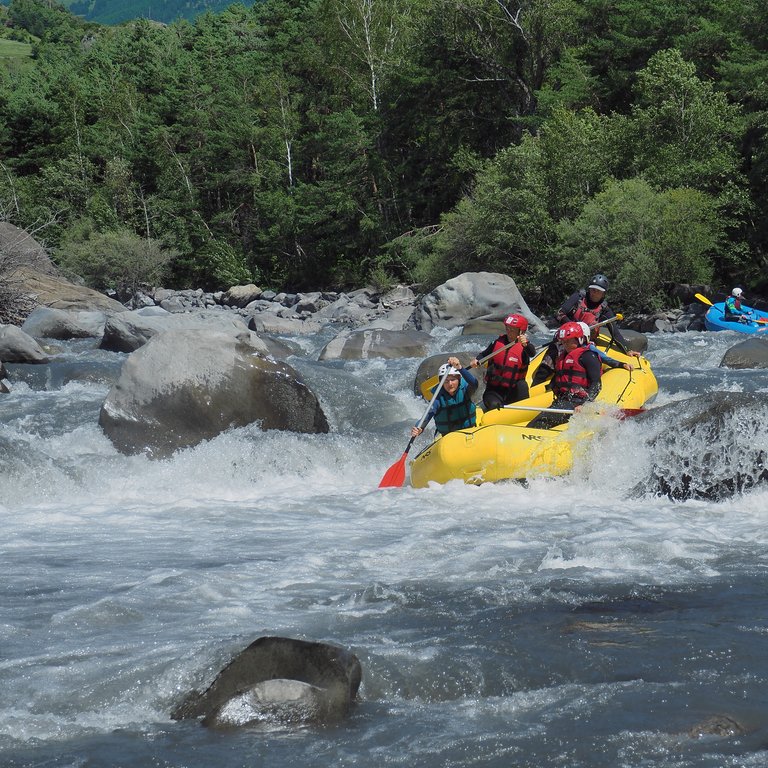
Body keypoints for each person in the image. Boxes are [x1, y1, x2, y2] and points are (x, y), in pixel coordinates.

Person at [527, 321, 602, 430]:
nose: (565, 345)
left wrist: (585, 405)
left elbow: (597, 383)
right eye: (563, 342)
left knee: (539, 423)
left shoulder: (588, 356)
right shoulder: (562, 357)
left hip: (578, 403)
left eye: (568, 341)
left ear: (580, 339)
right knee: (536, 421)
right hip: (563, 401)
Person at [556, 273, 640, 357]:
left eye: (598, 291)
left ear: (603, 294)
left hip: (586, 342)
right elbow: (559, 313)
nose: (594, 293)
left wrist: (627, 350)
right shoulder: (578, 297)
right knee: (552, 357)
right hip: (565, 337)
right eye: (593, 290)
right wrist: (575, 328)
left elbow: (615, 334)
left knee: (591, 357)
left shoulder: (604, 310)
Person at [470, 313, 536, 410]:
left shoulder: (525, 347)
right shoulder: (497, 342)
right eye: (507, 328)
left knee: (522, 385)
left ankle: (522, 410)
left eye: (512, 330)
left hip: (513, 391)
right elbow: (484, 354)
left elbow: (532, 353)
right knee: (493, 405)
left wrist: (526, 344)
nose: (509, 331)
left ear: (521, 332)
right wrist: (477, 360)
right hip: (494, 390)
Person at [411, 356, 478, 438]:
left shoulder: (465, 390)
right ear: (441, 382)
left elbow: (474, 384)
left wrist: (460, 368)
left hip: (470, 432)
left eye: (453, 380)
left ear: (459, 379)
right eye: (446, 381)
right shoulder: (438, 397)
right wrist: (419, 427)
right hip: (449, 437)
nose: (450, 384)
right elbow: (427, 415)